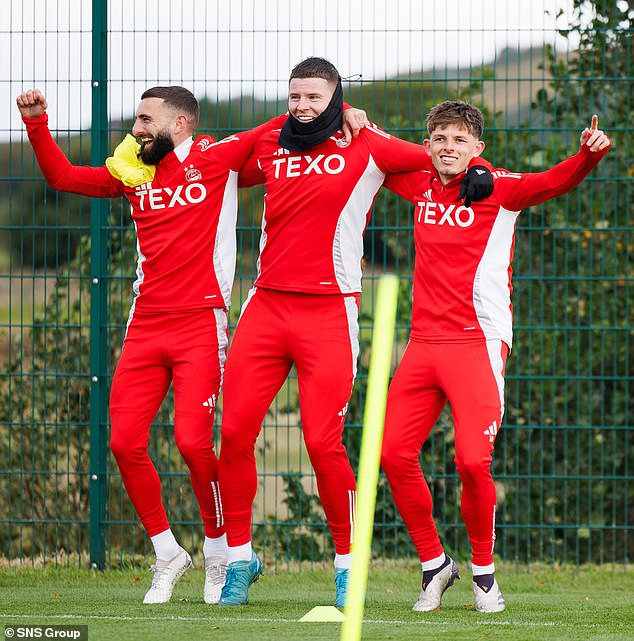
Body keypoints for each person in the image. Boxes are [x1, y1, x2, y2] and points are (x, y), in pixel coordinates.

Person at [16, 86, 365, 604]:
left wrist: (341, 113)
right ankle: (167, 553)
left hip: (202, 324)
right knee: (123, 442)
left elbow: (281, 127)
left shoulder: (217, 158)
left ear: (179, 124)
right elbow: (64, 177)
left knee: (192, 442)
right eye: (135, 120)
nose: (135, 130)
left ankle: (220, 553)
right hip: (146, 324)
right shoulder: (134, 173)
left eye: (144, 120)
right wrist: (37, 123)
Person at [216, 58, 494, 608]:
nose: (302, 106)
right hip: (266, 308)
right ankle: (239, 559)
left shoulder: (366, 141)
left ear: (336, 97)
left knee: (322, 444)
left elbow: (446, 155)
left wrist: (482, 176)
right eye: (295, 96)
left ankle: (347, 565)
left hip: (329, 314)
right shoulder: (270, 140)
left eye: (315, 97)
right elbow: (213, 166)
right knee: (233, 436)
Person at [379, 101, 611, 613]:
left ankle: (484, 575)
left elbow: (554, 182)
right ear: (428, 144)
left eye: (460, 140)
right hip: (421, 345)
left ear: (478, 148)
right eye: (439, 138)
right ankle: (435, 565)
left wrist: (587, 156)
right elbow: (376, 155)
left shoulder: (499, 187)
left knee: (470, 461)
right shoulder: (417, 184)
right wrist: (349, 115)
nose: (448, 147)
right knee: (393, 454)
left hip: (476, 344)